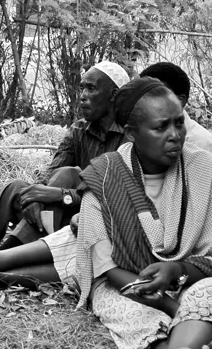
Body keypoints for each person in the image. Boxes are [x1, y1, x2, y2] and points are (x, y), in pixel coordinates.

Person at [76, 77, 212, 349]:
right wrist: (171, 306)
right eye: (161, 127)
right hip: (127, 287)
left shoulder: (204, 169)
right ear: (130, 133)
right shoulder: (103, 178)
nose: (175, 135)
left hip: (193, 279)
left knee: (205, 296)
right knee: (140, 320)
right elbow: (108, 268)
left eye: (179, 122)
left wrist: (177, 269)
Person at [0, 61, 130, 252]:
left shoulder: (129, 137)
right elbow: (52, 173)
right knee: (15, 189)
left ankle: (3, 254)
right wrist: (35, 196)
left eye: (91, 89)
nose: (82, 97)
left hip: (91, 219)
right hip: (55, 215)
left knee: (70, 174)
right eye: (81, 88)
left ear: (114, 95)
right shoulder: (79, 130)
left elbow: (114, 199)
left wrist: (61, 195)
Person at [140, 62, 212, 152]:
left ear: (180, 100)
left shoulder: (200, 143)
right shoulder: (139, 133)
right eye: (143, 95)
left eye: (156, 95)